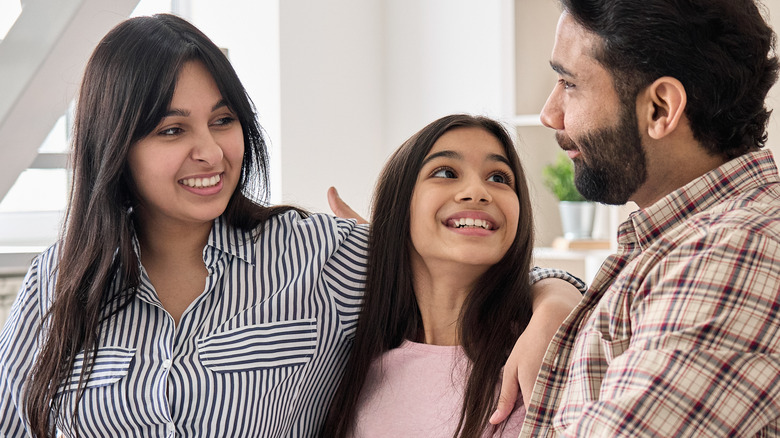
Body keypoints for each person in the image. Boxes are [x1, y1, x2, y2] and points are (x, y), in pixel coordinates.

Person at [0, 14, 582, 437]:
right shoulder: (60, 281)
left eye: (223, 121)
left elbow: (486, 259)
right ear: (117, 146)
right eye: (172, 130)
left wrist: (549, 315)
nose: (211, 152)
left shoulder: (317, 254)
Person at [506, 0, 780, 436]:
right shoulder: (686, 244)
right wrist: (551, 294)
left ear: (660, 108)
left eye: (569, 83)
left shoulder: (736, 251)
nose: (550, 114)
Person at [321, 114, 587, 437]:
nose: (477, 191)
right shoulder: (350, 366)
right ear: (400, 207)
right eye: (446, 172)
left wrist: (557, 302)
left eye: (499, 178)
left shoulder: (549, 348)